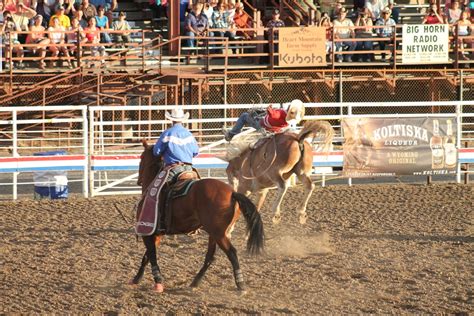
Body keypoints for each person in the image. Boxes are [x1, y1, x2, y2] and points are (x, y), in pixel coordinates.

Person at [153, 108, 199, 184]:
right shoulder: (189, 134)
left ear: (172, 120)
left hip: (173, 169)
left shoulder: (167, 133)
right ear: (182, 120)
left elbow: (156, 152)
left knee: (162, 188)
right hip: (188, 168)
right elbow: (196, 152)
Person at [223, 99, 304, 141]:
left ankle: (231, 134)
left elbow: (272, 113)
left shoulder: (280, 114)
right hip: (273, 129)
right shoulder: (287, 121)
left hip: (262, 125)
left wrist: (270, 108)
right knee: (256, 115)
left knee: (244, 116)